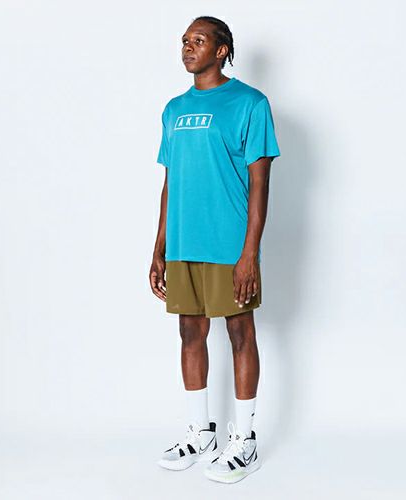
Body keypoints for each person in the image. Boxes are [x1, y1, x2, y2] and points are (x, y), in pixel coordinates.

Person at [149, 15, 280, 484]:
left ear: (222, 50)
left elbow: (260, 184)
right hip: (185, 242)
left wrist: (250, 254)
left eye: (199, 40)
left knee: (240, 332)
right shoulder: (173, 109)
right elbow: (171, 181)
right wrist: (159, 247)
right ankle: (200, 433)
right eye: (185, 40)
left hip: (229, 243)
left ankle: (244, 439)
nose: (188, 47)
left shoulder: (250, 103)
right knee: (190, 332)